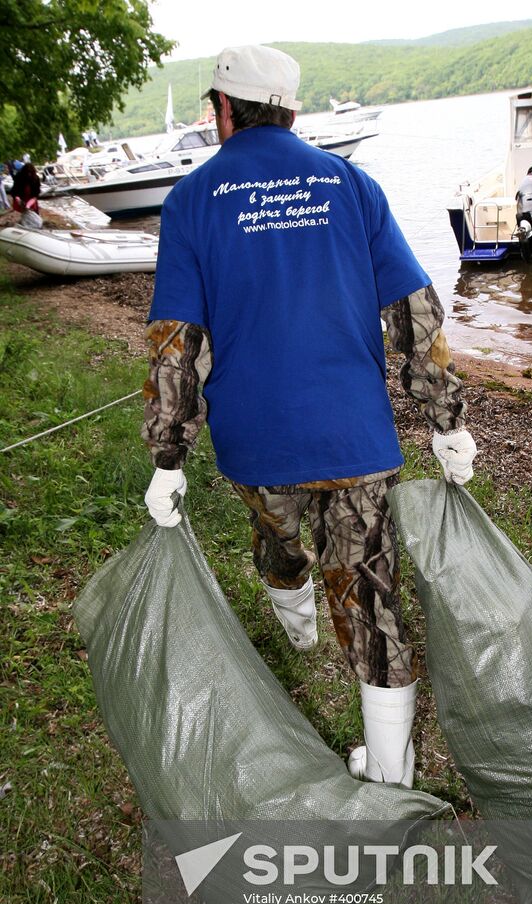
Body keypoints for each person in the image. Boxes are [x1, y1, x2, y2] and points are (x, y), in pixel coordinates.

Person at [142, 44, 477, 788]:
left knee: (277, 536)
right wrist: (446, 417)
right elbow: (413, 312)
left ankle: (297, 629)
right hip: (352, 436)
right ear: (292, 110)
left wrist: (168, 457)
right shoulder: (353, 184)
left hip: (255, 447)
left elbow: (177, 346)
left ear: (223, 110)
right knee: (370, 593)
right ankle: (391, 771)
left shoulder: (192, 201)